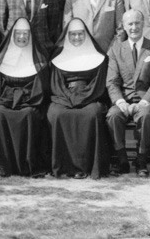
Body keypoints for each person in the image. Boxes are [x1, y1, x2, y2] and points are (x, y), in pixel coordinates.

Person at [106, 10, 150, 177]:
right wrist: (120, 102)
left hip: (146, 100)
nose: (134, 27)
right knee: (112, 116)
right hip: (124, 99)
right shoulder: (115, 50)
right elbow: (112, 81)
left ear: (143, 23)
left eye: (137, 23)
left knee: (146, 115)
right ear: (124, 26)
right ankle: (122, 158)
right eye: (130, 24)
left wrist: (144, 102)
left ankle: (141, 158)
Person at [0, 18, 50, 177]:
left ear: (31, 36)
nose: (22, 37)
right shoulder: (1, 58)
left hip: (30, 101)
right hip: (4, 100)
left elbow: (41, 88)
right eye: (18, 33)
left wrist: (23, 99)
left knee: (30, 113)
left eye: (25, 34)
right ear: (12, 35)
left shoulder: (40, 58)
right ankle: (2, 164)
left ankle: (26, 165)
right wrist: (10, 99)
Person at [47, 18, 110, 179]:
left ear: (86, 34)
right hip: (64, 96)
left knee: (93, 114)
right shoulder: (58, 55)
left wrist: (82, 97)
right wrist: (68, 98)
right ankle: (63, 166)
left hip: (90, 95)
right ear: (67, 36)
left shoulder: (98, 55)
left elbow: (98, 84)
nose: (76, 38)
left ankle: (88, 166)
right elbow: (56, 83)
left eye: (80, 34)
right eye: (73, 34)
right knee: (57, 114)